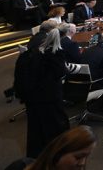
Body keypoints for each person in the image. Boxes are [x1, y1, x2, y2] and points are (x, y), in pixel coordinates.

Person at [22, 29, 82, 157]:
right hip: (50, 96)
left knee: (37, 129)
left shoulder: (33, 53)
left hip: (33, 97)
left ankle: (38, 156)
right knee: (57, 125)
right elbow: (60, 72)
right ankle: (59, 152)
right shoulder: (56, 54)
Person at [19, 125, 98, 170]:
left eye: (86, 157)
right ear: (58, 153)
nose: (82, 163)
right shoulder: (20, 166)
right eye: (78, 157)